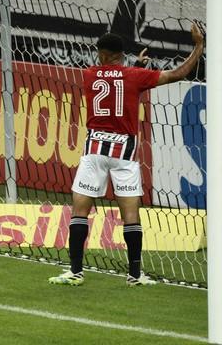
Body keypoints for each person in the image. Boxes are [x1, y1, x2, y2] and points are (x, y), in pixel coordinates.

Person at [48, 22, 204, 287]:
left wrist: (135, 66)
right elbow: (177, 74)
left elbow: (113, 80)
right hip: (124, 151)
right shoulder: (135, 76)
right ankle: (134, 275)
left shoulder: (90, 75)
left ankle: (75, 271)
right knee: (130, 215)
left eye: (100, 53)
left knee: (79, 211)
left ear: (104, 55)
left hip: (95, 148)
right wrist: (199, 47)